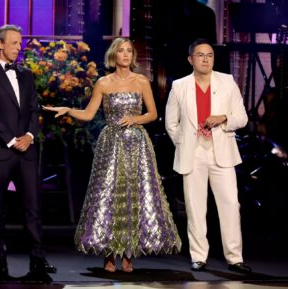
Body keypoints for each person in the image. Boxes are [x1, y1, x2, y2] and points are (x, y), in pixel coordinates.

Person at [44, 38, 181, 272]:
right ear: (114, 56)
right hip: (112, 144)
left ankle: (128, 254)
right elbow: (88, 114)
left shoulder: (141, 81)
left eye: (129, 51)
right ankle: (109, 253)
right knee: (109, 194)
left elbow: (153, 113)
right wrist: (67, 109)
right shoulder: (103, 83)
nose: (126, 54)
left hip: (137, 144)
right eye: (121, 51)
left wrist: (136, 119)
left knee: (134, 195)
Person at [165, 38, 252, 273]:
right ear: (190, 59)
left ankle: (235, 258)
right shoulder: (180, 86)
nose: (205, 59)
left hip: (220, 150)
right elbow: (171, 123)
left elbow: (242, 118)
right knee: (195, 206)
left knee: (231, 204)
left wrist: (223, 118)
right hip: (193, 153)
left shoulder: (227, 82)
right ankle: (198, 256)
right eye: (201, 55)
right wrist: (184, 143)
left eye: (210, 55)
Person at [0, 24, 56, 280]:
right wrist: (12, 140)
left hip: (27, 151)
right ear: (0, 44)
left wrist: (30, 136)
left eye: (19, 44)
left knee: (33, 206)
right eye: (14, 43)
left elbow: (34, 108)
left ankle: (38, 260)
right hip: (1, 150)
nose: (18, 48)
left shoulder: (27, 74)